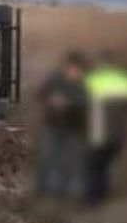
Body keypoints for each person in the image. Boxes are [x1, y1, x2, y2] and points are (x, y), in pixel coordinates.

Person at [83, 56, 127, 205]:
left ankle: (94, 197)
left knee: (95, 165)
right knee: (104, 163)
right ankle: (103, 193)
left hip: (100, 132)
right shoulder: (125, 82)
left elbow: (82, 104)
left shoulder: (94, 80)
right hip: (119, 134)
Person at [35, 52, 90, 199]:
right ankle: (45, 189)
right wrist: (52, 100)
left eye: (76, 68)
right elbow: (41, 93)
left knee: (70, 159)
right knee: (49, 156)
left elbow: (86, 102)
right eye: (71, 67)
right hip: (53, 125)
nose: (73, 71)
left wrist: (69, 103)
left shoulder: (84, 84)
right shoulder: (54, 79)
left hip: (73, 126)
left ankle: (65, 191)